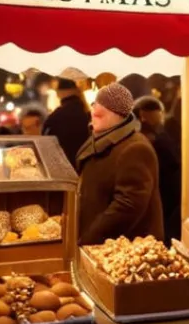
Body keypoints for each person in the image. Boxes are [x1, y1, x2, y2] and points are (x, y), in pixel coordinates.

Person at [76, 84, 164, 245]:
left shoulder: (135, 148)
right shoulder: (101, 138)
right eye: (94, 109)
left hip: (124, 250)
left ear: (119, 115)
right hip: (97, 242)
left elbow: (128, 206)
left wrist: (90, 237)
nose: (94, 113)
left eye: (100, 115)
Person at [134, 96, 182, 244]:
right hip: (162, 190)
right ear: (144, 115)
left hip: (162, 190)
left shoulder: (156, 134)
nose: (160, 115)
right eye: (157, 112)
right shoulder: (153, 138)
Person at [43, 79, 91, 169]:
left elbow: (46, 143)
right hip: (86, 167)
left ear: (58, 94)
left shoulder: (55, 117)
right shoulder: (88, 115)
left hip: (63, 168)